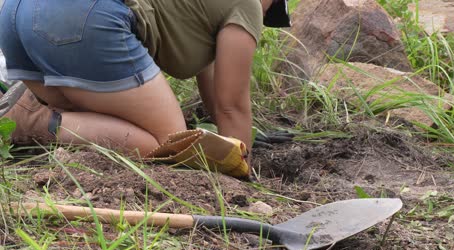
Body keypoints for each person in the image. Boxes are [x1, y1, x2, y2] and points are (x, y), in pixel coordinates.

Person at [0, 0, 290, 160]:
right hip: (79, 18)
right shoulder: (247, 5)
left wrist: (234, 144)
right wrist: (242, 171)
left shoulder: (208, 9)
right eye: (271, 10)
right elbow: (232, 107)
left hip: (16, 13)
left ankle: (29, 108)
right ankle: (34, 122)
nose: (263, 17)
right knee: (171, 141)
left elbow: (216, 94)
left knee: (86, 114)